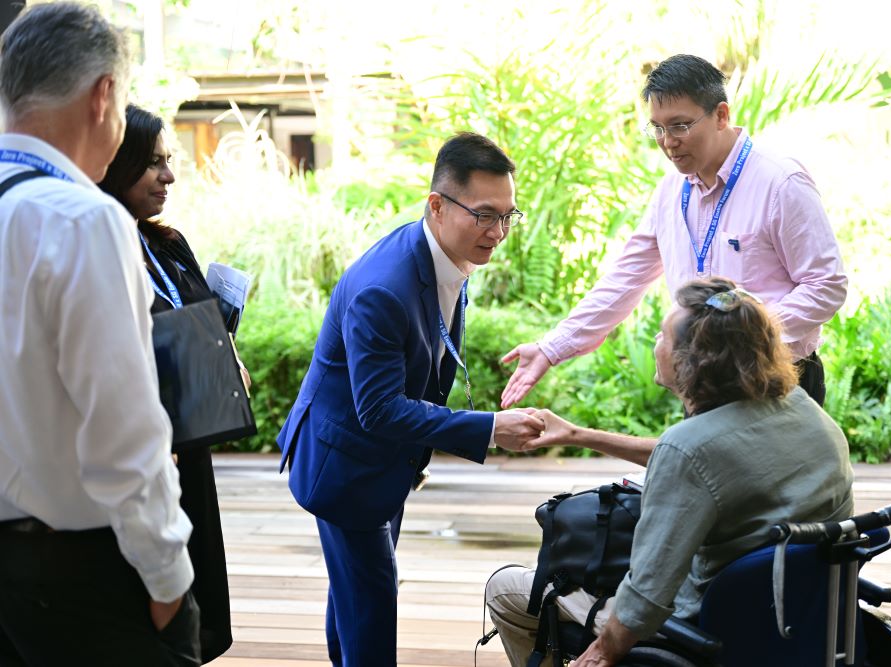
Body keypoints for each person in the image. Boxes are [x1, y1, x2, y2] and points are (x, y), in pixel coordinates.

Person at [486, 277, 854, 667]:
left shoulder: (691, 448)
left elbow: (645, 598)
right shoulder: (802, 408)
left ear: (694, 361)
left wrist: (601, 652)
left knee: (507, 590)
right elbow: (707, 458)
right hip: (805, 605)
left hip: (710, 618)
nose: (656, 345)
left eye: (663, 337)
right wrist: (579, 435)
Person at [277, 132, 545, 666]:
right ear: (437, 206)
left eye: (508, 217)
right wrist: (490, 427)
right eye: (486, 216)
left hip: (382, 463)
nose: (499, 233)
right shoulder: (384, 287)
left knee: (356, 593)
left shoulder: (442, 253)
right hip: (345, 466)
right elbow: (378, 408)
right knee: (373, 598)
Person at [0, 3, 200, 665]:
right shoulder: (81, 219)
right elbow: (125, 434)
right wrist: (169, 579)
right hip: (82, 572)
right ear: (103, 95)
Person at [501, 54, 847, 410]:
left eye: (680, 126)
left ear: (721, 115)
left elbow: (827, 285)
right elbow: (626, 278)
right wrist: (551, 347)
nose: (668, 142)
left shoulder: (780, 182)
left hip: (777, 380)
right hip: (702, 384)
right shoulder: (671, 189)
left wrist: (747, 340)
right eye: (657, 128)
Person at [98, 104, 242, 663]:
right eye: (154, 163)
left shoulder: (165, 242)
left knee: (197, 569)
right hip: (148, 442)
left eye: (169, 161)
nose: (169, 176)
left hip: (192, 440)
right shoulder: (106, 249)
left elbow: (197, 315)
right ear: (119, 163)